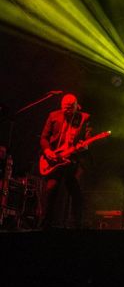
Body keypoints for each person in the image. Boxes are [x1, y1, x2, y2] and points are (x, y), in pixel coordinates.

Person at [40, 93, 91, 229]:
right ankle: (45, 224)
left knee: (76, 192)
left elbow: (87, 138)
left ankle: (77, 225)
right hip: (54, 159)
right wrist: (48, 151)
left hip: (72, 160)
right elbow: (44, 138)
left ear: (76, 106)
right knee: (51, 190)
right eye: (65, 107)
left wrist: (84, 145)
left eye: (70, 108)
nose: (67, 111)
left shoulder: (84, 118)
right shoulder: (53, 116)